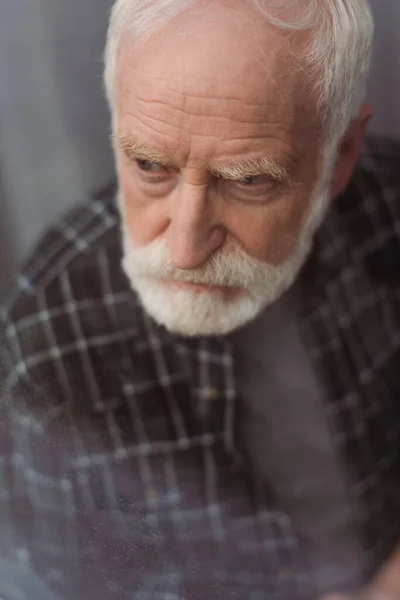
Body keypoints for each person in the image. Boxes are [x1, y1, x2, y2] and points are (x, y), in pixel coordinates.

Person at [1, 0, 400, 598]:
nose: (186, 249)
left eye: (248, 180)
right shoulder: (51, 339)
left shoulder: (389, 210)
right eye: (150, 165)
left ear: (339, 156)